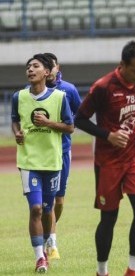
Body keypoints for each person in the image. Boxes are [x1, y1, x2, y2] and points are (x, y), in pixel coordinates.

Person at [74, 40, 135, 276]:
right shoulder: (103, 86)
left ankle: (133, 270)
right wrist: (108, 135)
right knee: (109, 217)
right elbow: (79, 119)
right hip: (108, 162)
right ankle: (102, 271)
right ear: (122, 65)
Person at [11, 53, 74, 273]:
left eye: (35, 66)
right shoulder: (18, 97)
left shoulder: (59, 97)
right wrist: (17, 133)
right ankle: (40, 257)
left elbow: (70, 127)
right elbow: (15, 120)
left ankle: (49, 240)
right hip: (28, 161)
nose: (30, 69)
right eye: (28, 66)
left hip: (52, 161)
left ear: (46, 72)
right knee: (36, 208)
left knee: (49, 209)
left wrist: (48, 123)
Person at [41, 52, 82, 260]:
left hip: (62, 151)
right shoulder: (32, 92)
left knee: (59, 200)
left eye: (52, 65)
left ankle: (48, 231)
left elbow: (79, 115)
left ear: (57, 67)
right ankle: (51, 241)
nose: (49, 69)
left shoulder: (68, 90)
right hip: (40, 152)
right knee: (42, 202)